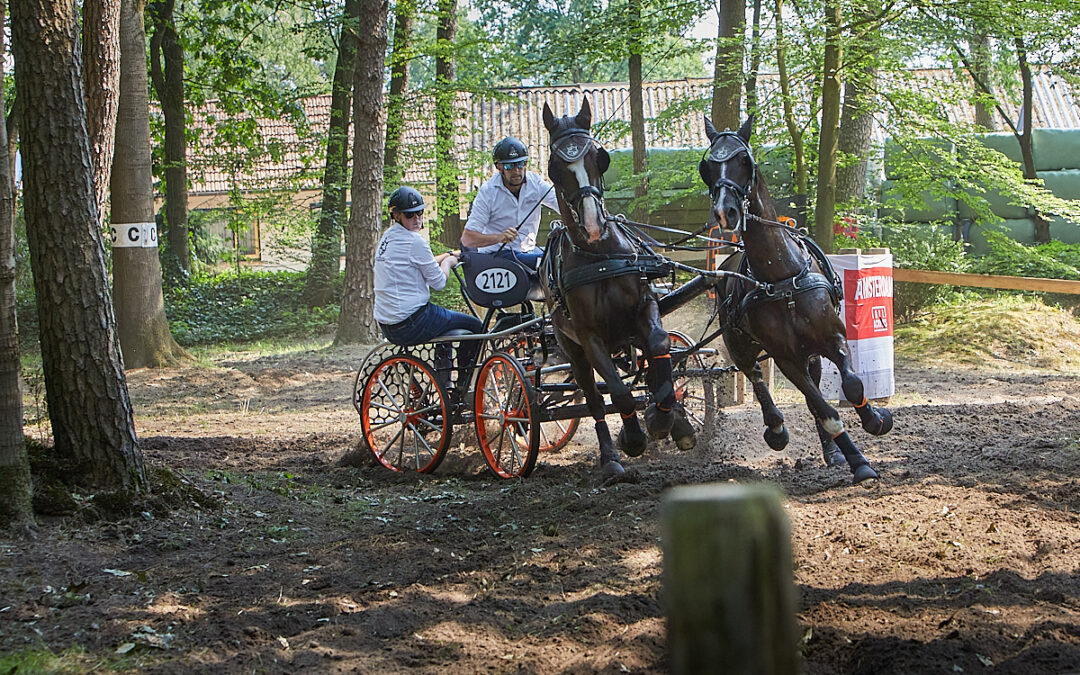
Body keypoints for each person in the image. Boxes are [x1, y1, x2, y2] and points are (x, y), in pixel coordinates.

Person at [375, 186, 482, 395]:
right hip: (412, 321)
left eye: (420, 213)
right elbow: (439, 282)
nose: (416, 219)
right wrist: (450, 262)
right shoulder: (415, 241)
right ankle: (461, 388)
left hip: (389, 324)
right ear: (396, 215)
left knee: (445, 325)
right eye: (409, 215)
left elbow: (420, 264)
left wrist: (447, 254)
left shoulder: (388, 238)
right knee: (475, 327)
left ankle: (444, 386)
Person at [461, 136, 560, 271]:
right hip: (498, 256)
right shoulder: (488, 193)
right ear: (499, 167)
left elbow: (562, 204)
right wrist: (499, 237)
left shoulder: (536, 183)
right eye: (509, 166)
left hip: (529, 252)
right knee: (549, 261)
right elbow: (468, 239)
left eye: (521, 164)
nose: (517, 171)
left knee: (559, 257)